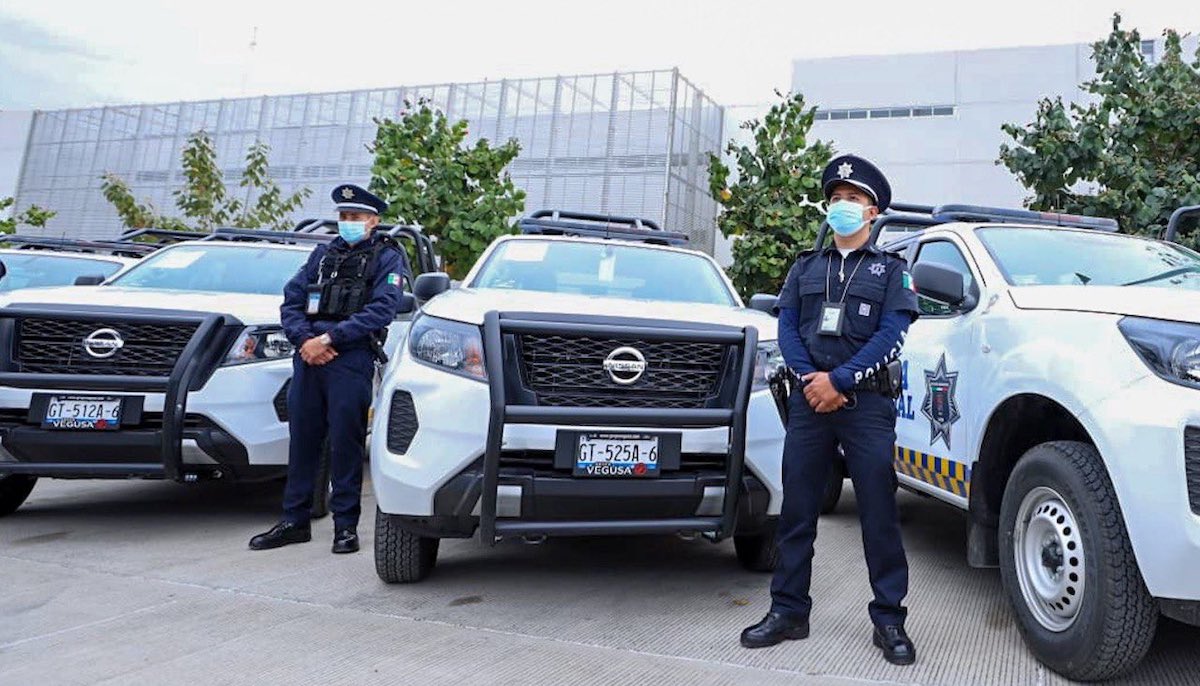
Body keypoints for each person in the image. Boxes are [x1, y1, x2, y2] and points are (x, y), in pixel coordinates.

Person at [740, 155, 920, 665]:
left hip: (865, 406)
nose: (842, 207)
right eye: (836, 199)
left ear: (873, 211)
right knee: (796, 512)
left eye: (853, 200)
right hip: (808, 403)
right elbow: (788, 328)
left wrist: (839, 380)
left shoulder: (890, 272)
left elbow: (893, 335)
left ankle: (889, 619)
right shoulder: (805, 267)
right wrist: (810, 380)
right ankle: (788, 611)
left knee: (879, 515)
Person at [250, 183, 409, 554]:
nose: (348, 222)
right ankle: (294, 521)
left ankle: (345, 527)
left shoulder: (387, 258)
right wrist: (305, 341)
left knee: (345, 444)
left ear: (373, 221)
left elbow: (382, 309)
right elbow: (291, 301)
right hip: (309, 358)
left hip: (350, 359)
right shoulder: (322, 255)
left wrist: (330, 340)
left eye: (355, 217)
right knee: (303, 440)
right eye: (343, 216)